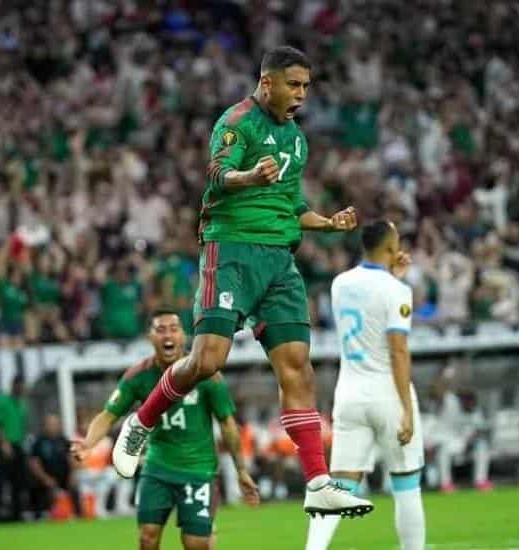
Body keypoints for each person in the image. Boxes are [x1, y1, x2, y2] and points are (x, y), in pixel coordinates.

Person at [110, 45, 372, 518]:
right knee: (207, 361)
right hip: (230, 252)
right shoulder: (237, 122)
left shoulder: (295, 139)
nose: (301, 96)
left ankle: (317, 482)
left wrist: (328, 223)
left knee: (297, 365)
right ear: (267, 83)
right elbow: (217, 174)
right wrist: (249, 175)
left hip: (279, 262)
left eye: (307, 87)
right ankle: (142, 420)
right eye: (294, 85)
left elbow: (292, 207)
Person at [71, 309, 259, 550]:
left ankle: (206, 535)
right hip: (157, 469)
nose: (167, 335)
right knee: (147, 538)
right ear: (150, 337)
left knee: (196, 544)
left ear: (183, 336)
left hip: (197, 470)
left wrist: (241, 469)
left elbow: (228, 423)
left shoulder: (206, 374)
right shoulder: (139, 376)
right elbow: (109, 415)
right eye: (160, 329)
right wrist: (88, 443)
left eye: (173, 328)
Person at [306, 220, 425, 550]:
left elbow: (368, 303)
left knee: (337, 490)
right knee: (406, 484)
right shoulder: (397, 291)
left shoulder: (340, 284)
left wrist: (391, 276)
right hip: (387, 394)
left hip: (350, 396)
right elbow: (398, 350)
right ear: (390, 248)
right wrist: (406, 410)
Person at [0, 374, 29, 521]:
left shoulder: (23, 403)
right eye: (20, 387)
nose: (22, 390)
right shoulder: (1, 401)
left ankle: (16, 515)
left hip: (18, 445)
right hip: (4, 445)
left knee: (18, 481)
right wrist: (4, 443)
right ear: (14, 386)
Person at [29, 414, 82, 519]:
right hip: (45, 477)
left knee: (75, 487)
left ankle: (77, 515)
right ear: (45, 426)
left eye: (55, 424)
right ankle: (40, 515)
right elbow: (34, 463)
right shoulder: (39, 442)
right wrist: (46, 479)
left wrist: (72, 475)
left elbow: (72, 459)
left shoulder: (64, 441)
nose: (53, 426)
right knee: (35, 485)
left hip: (64, 477)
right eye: (50, 424)